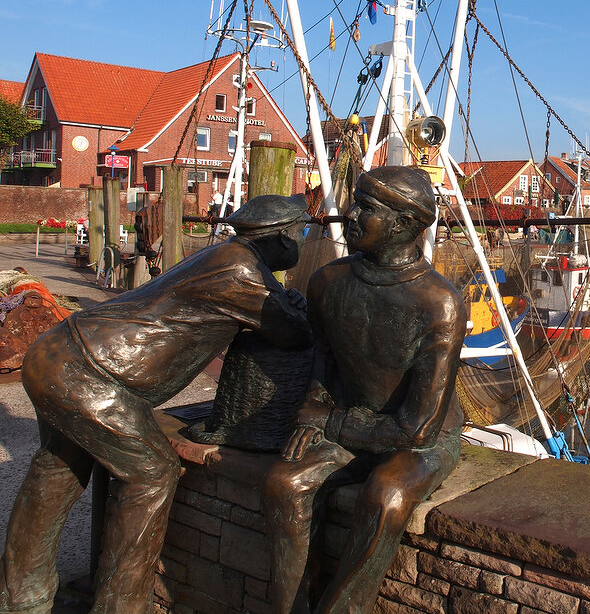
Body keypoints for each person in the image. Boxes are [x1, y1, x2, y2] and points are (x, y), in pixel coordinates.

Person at [0, 195, 312, 614]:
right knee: (152, 471)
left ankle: (21, 597)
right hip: (92, 373)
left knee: (56, 469)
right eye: (301, 231)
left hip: (61, 353)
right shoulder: (241, 269)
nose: (303, 240)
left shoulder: (223, 253)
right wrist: (294, 306)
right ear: (281, 235)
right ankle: (120, 605)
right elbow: (292, 332)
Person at [262, 166, 466, 614]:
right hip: (354, 422)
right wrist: (313, 406)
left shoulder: (439, 302)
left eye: (367, 208)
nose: (350, 214)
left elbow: (417, 430)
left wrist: (329, 421)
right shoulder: (327, 282)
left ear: (407, 225)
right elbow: (324, 360)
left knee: (387, 497)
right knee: (284, 483)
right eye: (355, 201)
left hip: (422, 437)